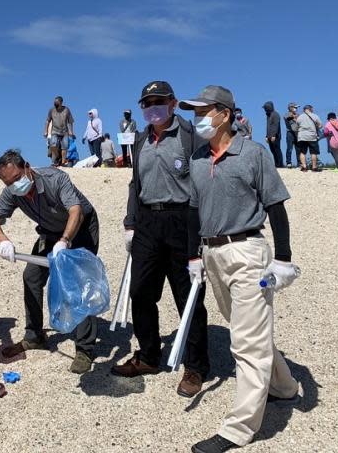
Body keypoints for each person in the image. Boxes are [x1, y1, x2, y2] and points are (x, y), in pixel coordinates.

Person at [180, 86, 300, 453]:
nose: (198, 118)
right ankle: (284, 387)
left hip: (248, 251)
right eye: (195, 112)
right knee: (248, 329)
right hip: (212, 254)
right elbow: (191, 211)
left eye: (205, 111)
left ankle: (238, 429)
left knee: (245, 341)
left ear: (226, 114)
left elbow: (276, 206)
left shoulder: (253, 153)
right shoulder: (199, 158)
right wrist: (194, 257)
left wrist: (282, 258)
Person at [111, 80, 210, 398]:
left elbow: (205, 180)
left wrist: (203, 233)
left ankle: (196, 366)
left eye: (159, 101)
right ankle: (149, 355)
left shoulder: (189, 136)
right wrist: (130, 222)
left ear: (172, 102)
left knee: (188, 296)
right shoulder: (140, 140)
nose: (152, 107)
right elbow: (133, 183)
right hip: (147, 224)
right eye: (147, 102)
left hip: (182, 220)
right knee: (140, 293)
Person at [0, 149, 99, 375]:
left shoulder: (55, 179)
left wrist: (65, 241)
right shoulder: (12, 192)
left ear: (27, 167)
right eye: (8, 183)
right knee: (31, 277)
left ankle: (85, 348)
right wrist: (3, 241)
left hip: (81, 227)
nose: (15, 184)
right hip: (49, 232)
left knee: (77, 283)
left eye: (17, 178)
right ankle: (35, 336)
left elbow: (76, 211)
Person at [44, 96, 74, 167]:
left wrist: (71, 131)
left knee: (65, 147)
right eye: (54, 102)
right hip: (55, 131)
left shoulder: (66, 110)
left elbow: (70, 121)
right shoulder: (51, 110)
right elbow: (47, 121)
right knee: (53, 145)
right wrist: (45, 131)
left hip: (64, 131)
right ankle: (56, 159)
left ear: (61, 102)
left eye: (56, 102)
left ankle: (63, 162)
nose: (55, 104)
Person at [296, 104, 322, 172]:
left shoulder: (300, 117)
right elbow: (320, 125)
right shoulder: (315, 116)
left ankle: (304, 167)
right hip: (312, 136)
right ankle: (314, 167)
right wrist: (315, 127)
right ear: (310, 109)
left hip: (302, 136)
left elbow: (297, 125)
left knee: (302, 152)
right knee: (313, 152)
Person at [262, 101, 283, 167]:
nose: (265, 109)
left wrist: (274, 135)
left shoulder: (275, 114)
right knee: (273, 151)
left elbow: (275, 125)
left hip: (275, 136)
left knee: (277, 150)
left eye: (266, 108)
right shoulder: (268, 115)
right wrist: (266, 136)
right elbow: (268, 126)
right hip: (269, 136)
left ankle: (280, 164)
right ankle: (276, 164)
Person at [284, 103, 299, 168]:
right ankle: (289, 162)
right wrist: (295, 117)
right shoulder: (286, 114)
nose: (296, 109)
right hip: (290, 133)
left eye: (296, 107)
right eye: (295, 107)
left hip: (297, 133)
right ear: (290, 108)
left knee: (298, 148)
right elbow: (288, 118)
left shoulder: (298, 115)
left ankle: (300, 163)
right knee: (289, 148)